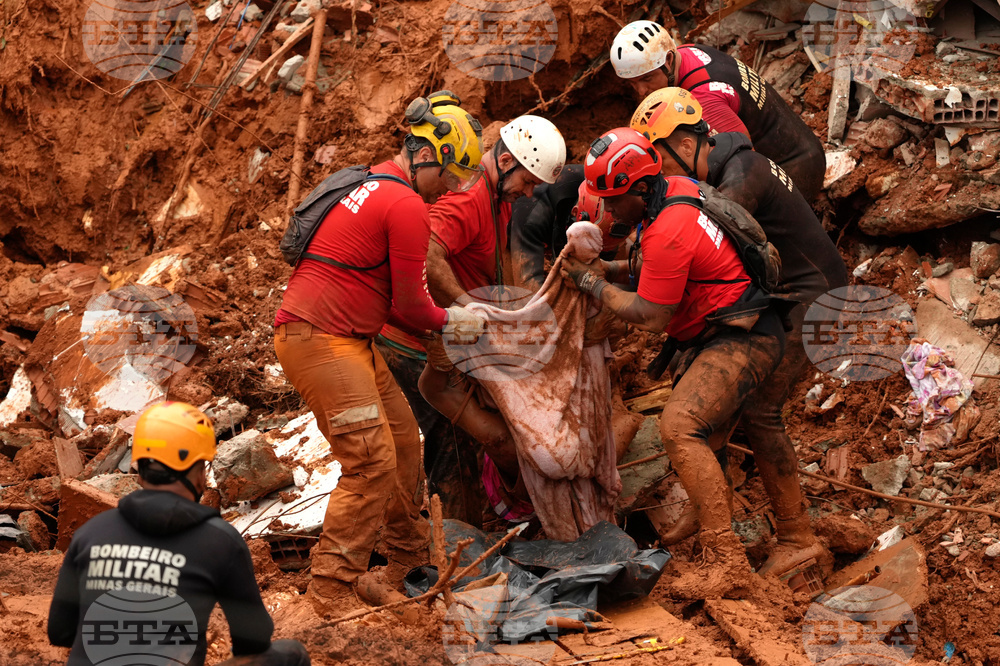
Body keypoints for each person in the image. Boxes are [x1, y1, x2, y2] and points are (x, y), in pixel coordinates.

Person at [272, 91, 487, 616]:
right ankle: (329, 590)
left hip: (340, 337)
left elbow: (382, 296)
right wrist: (452, 321)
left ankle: (406, 565)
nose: (451, 190)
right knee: (369, 463)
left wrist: (435, 322)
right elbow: (412, 303)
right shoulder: (405, 203)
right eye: (452, 176)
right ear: (429, 153)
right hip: (322, 340)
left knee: (401, 443)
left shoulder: (371, 184)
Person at [630, 88, 847, 589]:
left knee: (759, 411)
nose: (657, 174)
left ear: (683, 144)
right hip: (789, 292)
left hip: (810, 297)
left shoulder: (738, 178)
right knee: (723, 403)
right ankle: (715, 509)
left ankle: (796, 538)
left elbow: (699, 251)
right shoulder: (732, 165)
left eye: (657, 159)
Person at [561, 128, 785, 598]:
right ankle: (717, 522)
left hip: (743, 336)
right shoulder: (676, 192)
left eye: (614, 199)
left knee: (679, 426)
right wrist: (614, 270)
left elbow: (650, 313)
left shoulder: (665, 228)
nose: (611, 211)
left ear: (640, 188)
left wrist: (593, 284)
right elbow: (664, 267)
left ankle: (728, 559)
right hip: (731, 327)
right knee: (713, 435)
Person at [373, 115, 565, 526]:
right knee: (453, 444)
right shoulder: (470, 197)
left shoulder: (497, 201)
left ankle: (466, 537)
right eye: (528, 182)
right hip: (412, 339)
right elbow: (426, 254)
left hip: (447, 333)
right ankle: (454, 553)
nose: (529, 193)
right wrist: (468, 309)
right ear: (509, 161)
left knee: (467, 445)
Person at [47, 401, 310, 666]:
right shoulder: (220, 541)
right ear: (197, 471)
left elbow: (60, 632)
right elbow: (254, 639)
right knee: (291, 655)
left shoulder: (91, 533)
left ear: (140, 470)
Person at [610, 20, 826, 202]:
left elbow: (742, 163)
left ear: (668, 60)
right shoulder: (688, 53)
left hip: (796, 168)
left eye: (647, 79)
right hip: (800, 146)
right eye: (632, 84)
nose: (641, 91)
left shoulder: (704, 98)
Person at [510, 165, 630, 293]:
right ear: (575, 212)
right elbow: (527, 290)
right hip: (521, 232)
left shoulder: (606, 186)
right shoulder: (532, 217)